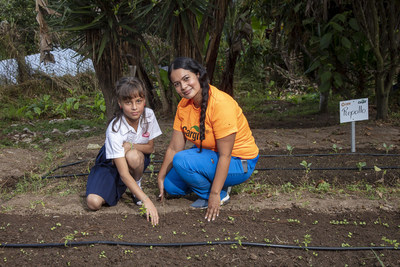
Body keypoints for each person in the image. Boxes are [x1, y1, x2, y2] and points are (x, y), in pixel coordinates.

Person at [157, 57, 259, 222]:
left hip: (239, 162)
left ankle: (220, 192)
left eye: (186, 78)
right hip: (211, 156)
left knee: (182, 160)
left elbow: (225, 155)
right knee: (170, 186)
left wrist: (214, 194)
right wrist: (160, 177)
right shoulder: (184, 106)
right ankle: (215, 181)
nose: (183, 87)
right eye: (176, 84)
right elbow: (174, 148)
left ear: (198, 75)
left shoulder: (220, 104)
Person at [86, 77, 162, 226]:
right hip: (111, 163)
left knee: (133, 156)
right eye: (128, 102)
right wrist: (147, 200)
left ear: (144, 101)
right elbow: (123, 173)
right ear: (120, 103)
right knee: (93, 203)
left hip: (135, 160)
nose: (134, 107)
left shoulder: (149, 115)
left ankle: (136, 186)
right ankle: (124, 187)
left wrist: (131, 145)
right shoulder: (115, 129)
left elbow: (150, 148)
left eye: (138, 101)